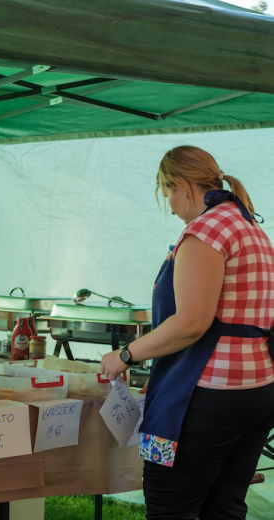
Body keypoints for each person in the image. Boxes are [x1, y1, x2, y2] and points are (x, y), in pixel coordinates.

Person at [100, 146, 274, 519]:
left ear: (180, 185)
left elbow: (192, 322)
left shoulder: (205, 231)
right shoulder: (248, 225)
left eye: (168, 195)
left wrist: (126, 354)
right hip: (257, 393)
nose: (173, 208)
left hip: (206, 398)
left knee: (169, 505)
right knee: (224, 508)